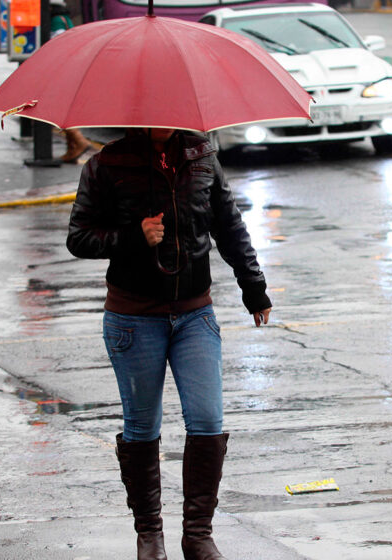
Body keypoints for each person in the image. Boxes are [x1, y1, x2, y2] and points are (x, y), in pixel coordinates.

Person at [66, 127, 272, 560]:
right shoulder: (107, 164)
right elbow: (79, 237)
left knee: (207, 421)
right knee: (143, 428)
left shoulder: (201, 157)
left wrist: (253, 286)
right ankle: (150, 536)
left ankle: (197, 536)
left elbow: (229, 226)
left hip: (195, 313)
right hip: (133, 317)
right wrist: (132, 235)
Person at [49, 1, 93, 163]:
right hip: (70, 68)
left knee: (56, 107)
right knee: (64, 106)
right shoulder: (66, 18)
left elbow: (58, 42)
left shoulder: (56, 21)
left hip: (60, 68)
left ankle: (79, 140)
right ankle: (72, 148)